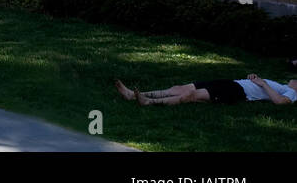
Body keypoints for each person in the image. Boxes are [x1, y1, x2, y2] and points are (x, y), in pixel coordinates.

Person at [116, 75, 297, 107]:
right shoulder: (286, 86)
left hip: (237, 92)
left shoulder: (292, 93)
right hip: (231, 83)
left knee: (190, 95)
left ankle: (148, 102)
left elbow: (280, 102)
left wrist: (262, 83)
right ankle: (133, 95)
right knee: (179, 88)